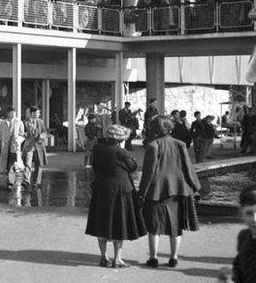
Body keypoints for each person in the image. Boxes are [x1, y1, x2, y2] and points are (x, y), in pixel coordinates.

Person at [138, 115, 200, 268]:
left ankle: (153, 258)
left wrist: (142, 193)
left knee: (154, 226)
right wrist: (195, 187)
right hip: (179, 189)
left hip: (157, 190)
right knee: (175, 226)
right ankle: (174, 258)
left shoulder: (153, 145)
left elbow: (148, 172)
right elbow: (188, 168)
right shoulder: (180, 144)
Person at [85, 124, 146, 268]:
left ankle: (104, 257)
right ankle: (117, 259)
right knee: (119, 223)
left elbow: (95, 166)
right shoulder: (121, 151)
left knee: (102, 222)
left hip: (101, 188)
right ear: (121, 139)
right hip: (120, 190)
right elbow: (132, 167)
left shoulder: (98, 149)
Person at [0, 107, 25, 188]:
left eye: (14, 113)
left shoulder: (19, 122)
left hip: (14, 147)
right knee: (6, 163)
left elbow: (22, 134)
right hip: (5, 146)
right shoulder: (3, 123)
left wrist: (18, 140)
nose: (13, 115)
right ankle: (9, 180)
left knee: (11, 164)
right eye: (11, 113)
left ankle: (10, 181)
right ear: (7, 114)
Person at [22, 105, 48, 188]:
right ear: (32, 113)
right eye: (37, 112)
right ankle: (26, 181)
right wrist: (25, 136)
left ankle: (36, 182)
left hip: (39, 145)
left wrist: (42, 135)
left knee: (38, 164)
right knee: (27, 163)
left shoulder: (41, 121)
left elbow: (45, 132)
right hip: (29, 145)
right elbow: (22, 133)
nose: (39, 114)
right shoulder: (24, 122)